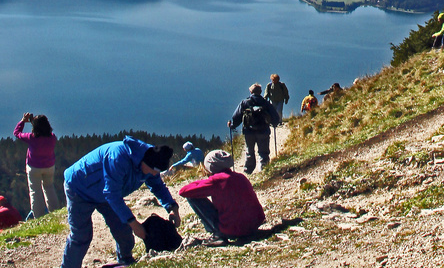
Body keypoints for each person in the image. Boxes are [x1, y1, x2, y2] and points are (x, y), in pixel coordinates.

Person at [61, 137, 177, 268]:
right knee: (81, 235)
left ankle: (125, 260)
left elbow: (158, 186)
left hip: (106, 193)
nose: (154, 173)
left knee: (123, 230)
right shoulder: (118, 158)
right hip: (80, 189)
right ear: (145, 162)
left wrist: (172, 207)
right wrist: (134, 224)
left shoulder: (150, 160)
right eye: (153, 170)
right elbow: (112, 194)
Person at [176, 150, 262, 245]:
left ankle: (218, 234)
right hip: (253, 226)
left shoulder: (216, 181)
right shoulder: (241, 177)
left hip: (233, 230)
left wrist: (202, 182)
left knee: (192, 196)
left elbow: (183, 191)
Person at [13, 113, 58, 218]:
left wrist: (23, 121)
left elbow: (17, 133)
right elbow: (43, 131)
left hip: (34, 168)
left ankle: (38, 216)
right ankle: (55, 213)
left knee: (35, 191)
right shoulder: (52, 138)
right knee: (49, 188)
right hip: (49, 167)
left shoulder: (31, 138)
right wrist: (36, 122)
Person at [227, 84, 280, 173]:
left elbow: (237, 116)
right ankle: (264, 169)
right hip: (263, 131)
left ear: (251, 91)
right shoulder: (265, 103)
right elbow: (275, 117)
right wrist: (275, 123)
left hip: (249, 131)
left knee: (249, 151)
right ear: (260, 92)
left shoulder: (245, 102)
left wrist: (232, 125)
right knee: (263, 151)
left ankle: (248, 170)